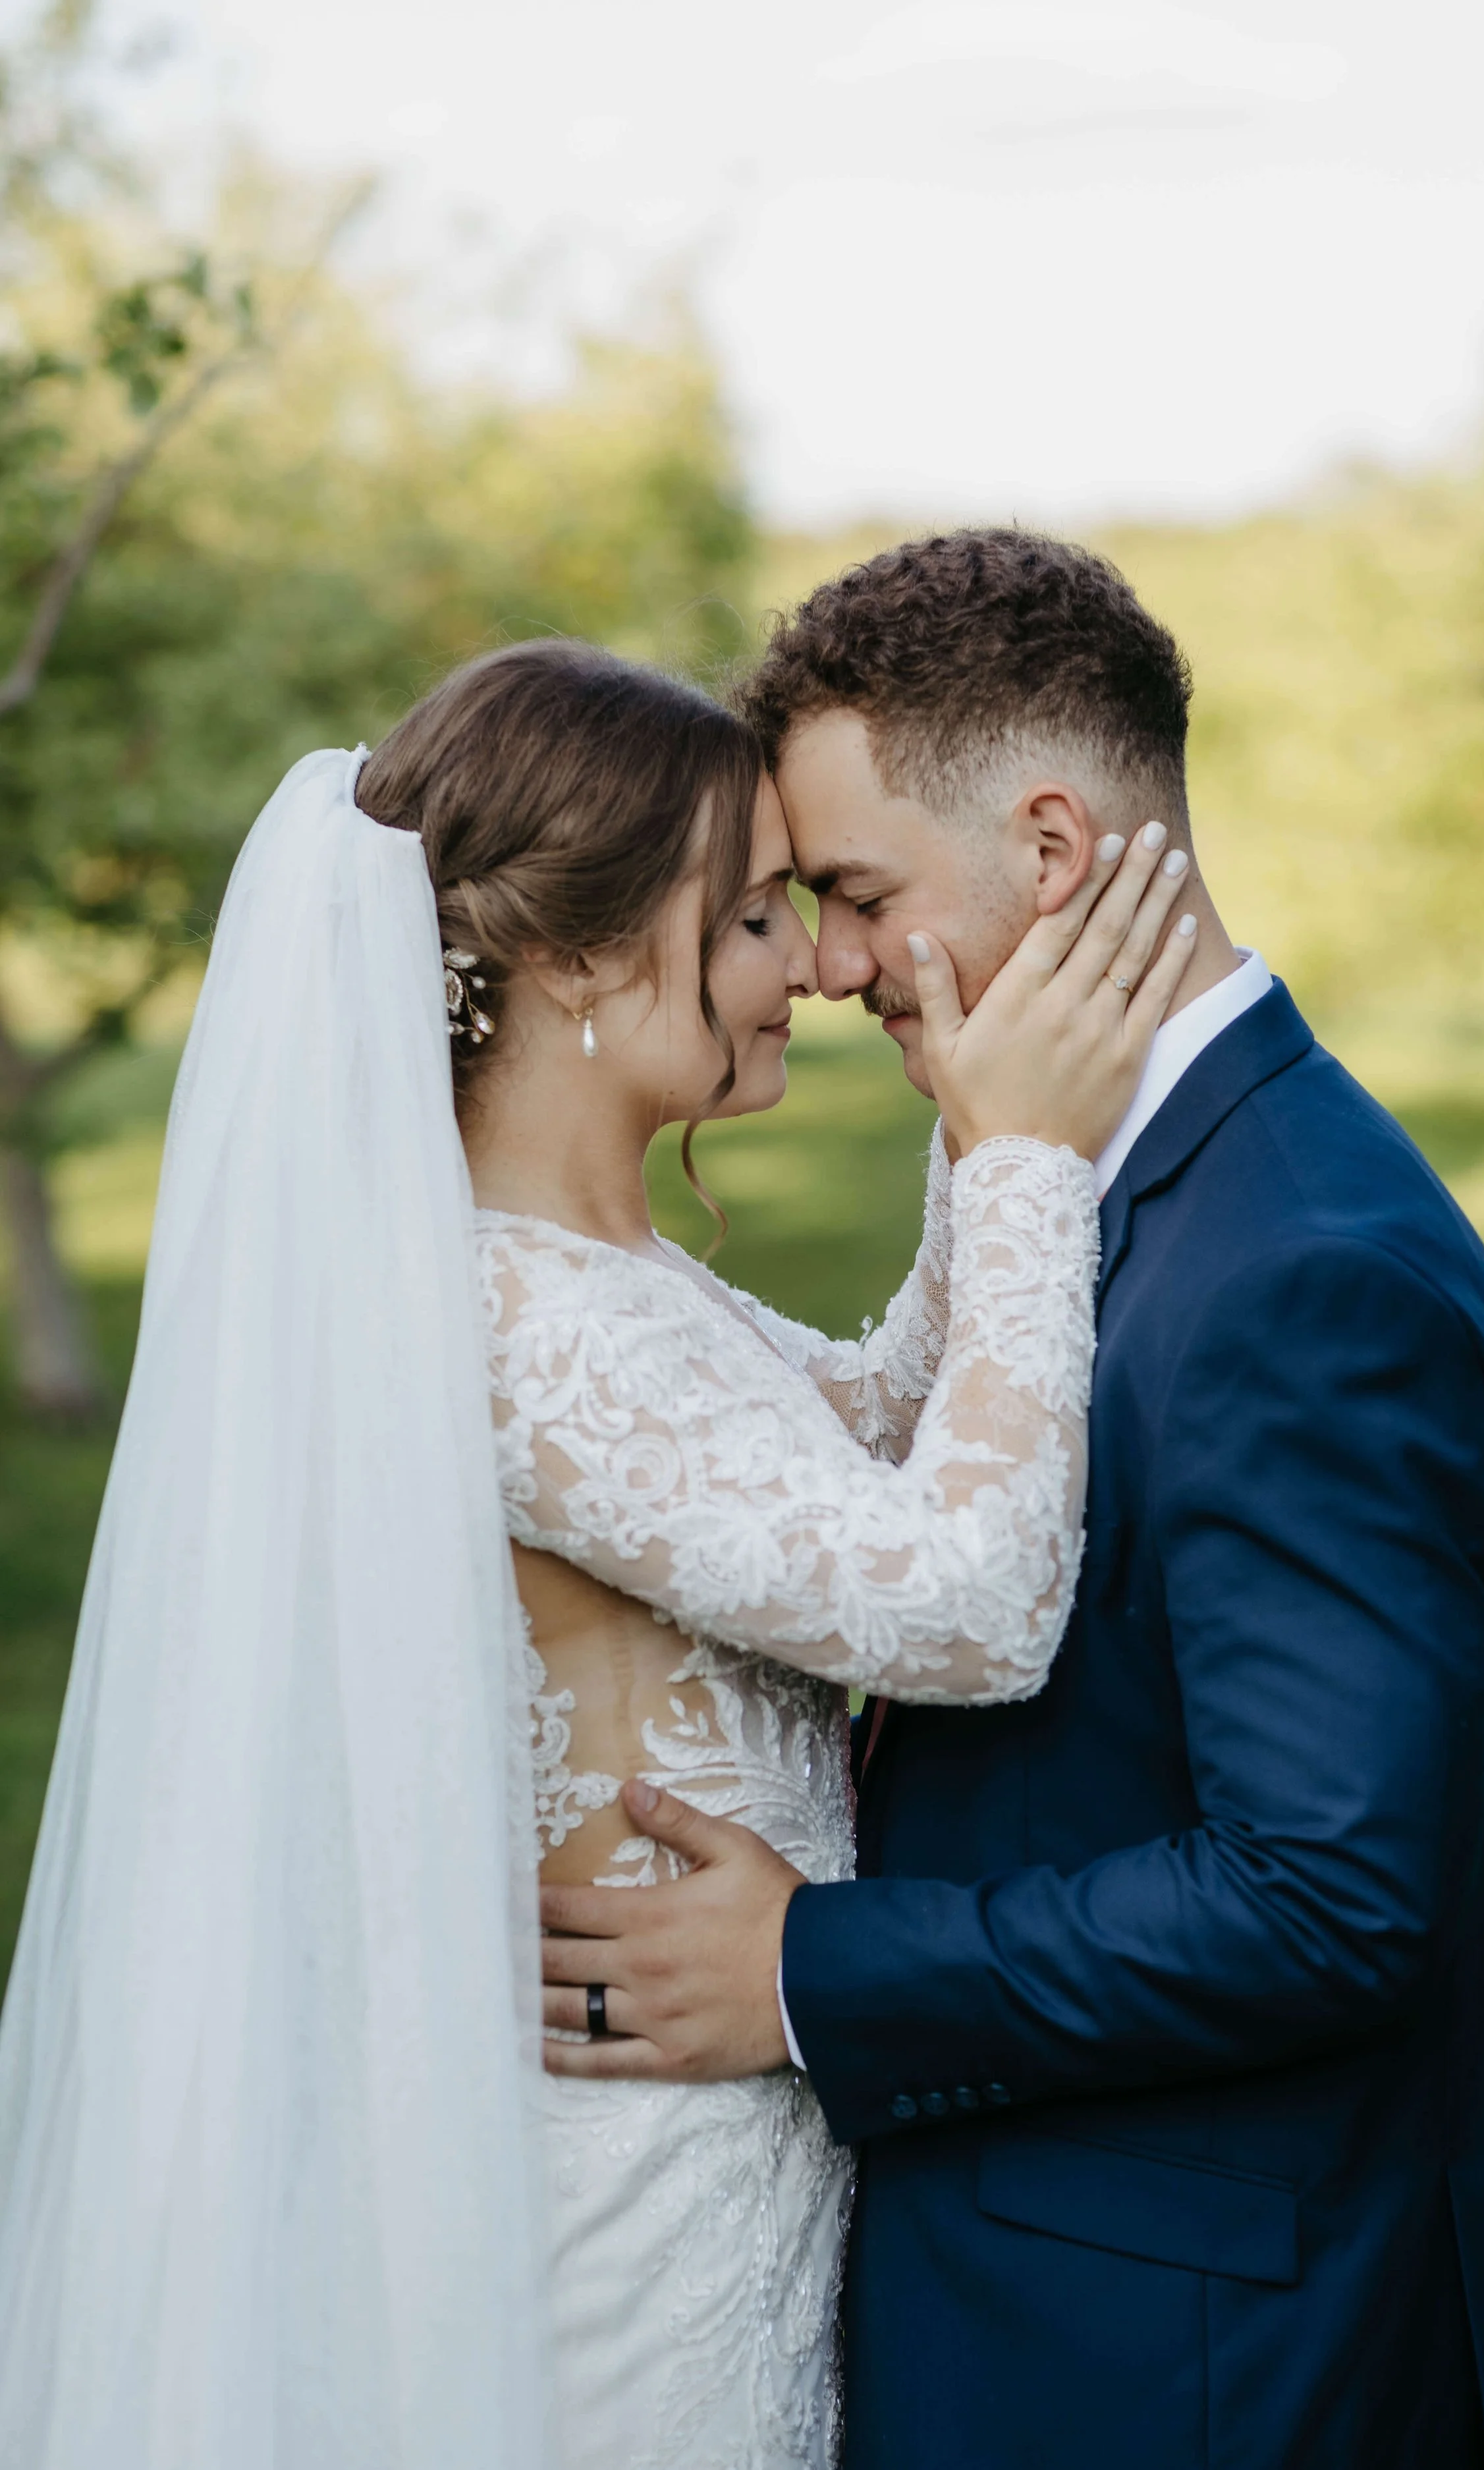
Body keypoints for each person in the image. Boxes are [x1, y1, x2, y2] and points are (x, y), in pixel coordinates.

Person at [0, 632, 1193, 2470]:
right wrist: (1034, 1161)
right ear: (566, 955)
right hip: (630, 2202)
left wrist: (974, 1125)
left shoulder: (590, 1280)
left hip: (714, 2136)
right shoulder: (516, 1320)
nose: (803, 961)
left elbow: (876, 1432)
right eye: (743, 920)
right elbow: (962, 1598)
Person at [534, 532, 1484, 2470]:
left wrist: (807, 1965)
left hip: (1192, 2354)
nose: (836, 963)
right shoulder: (1100, 1181)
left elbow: (1323, 1892)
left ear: (1048, 850)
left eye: (859, 894)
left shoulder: (1298, 1267)